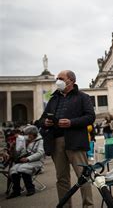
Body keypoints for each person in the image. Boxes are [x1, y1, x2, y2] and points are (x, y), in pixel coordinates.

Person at [39, 70, 95, 207]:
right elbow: (41, 119)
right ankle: (65, 205)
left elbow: (90, 117)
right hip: (56, 141)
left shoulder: (83, 97)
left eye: (61, 78)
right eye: (57, 78)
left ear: (71, 80)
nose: (58, 80)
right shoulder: (53, 98)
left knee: (83, 176)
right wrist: (45, 122)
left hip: (75, 140)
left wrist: (72, 122)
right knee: (62, 178)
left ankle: (88, 205)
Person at [7, 125, 45, 199]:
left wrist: (28, 159)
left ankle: (30, 188)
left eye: (29, 134)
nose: (27, 136)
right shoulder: (26, 141)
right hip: (26, 161)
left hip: (37, 162)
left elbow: (40, 153)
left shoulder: (40, 141)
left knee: (23, 169)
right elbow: (20, 153)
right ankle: (16, 191)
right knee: (13, 170)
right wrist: (14, 147)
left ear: (34, 134)